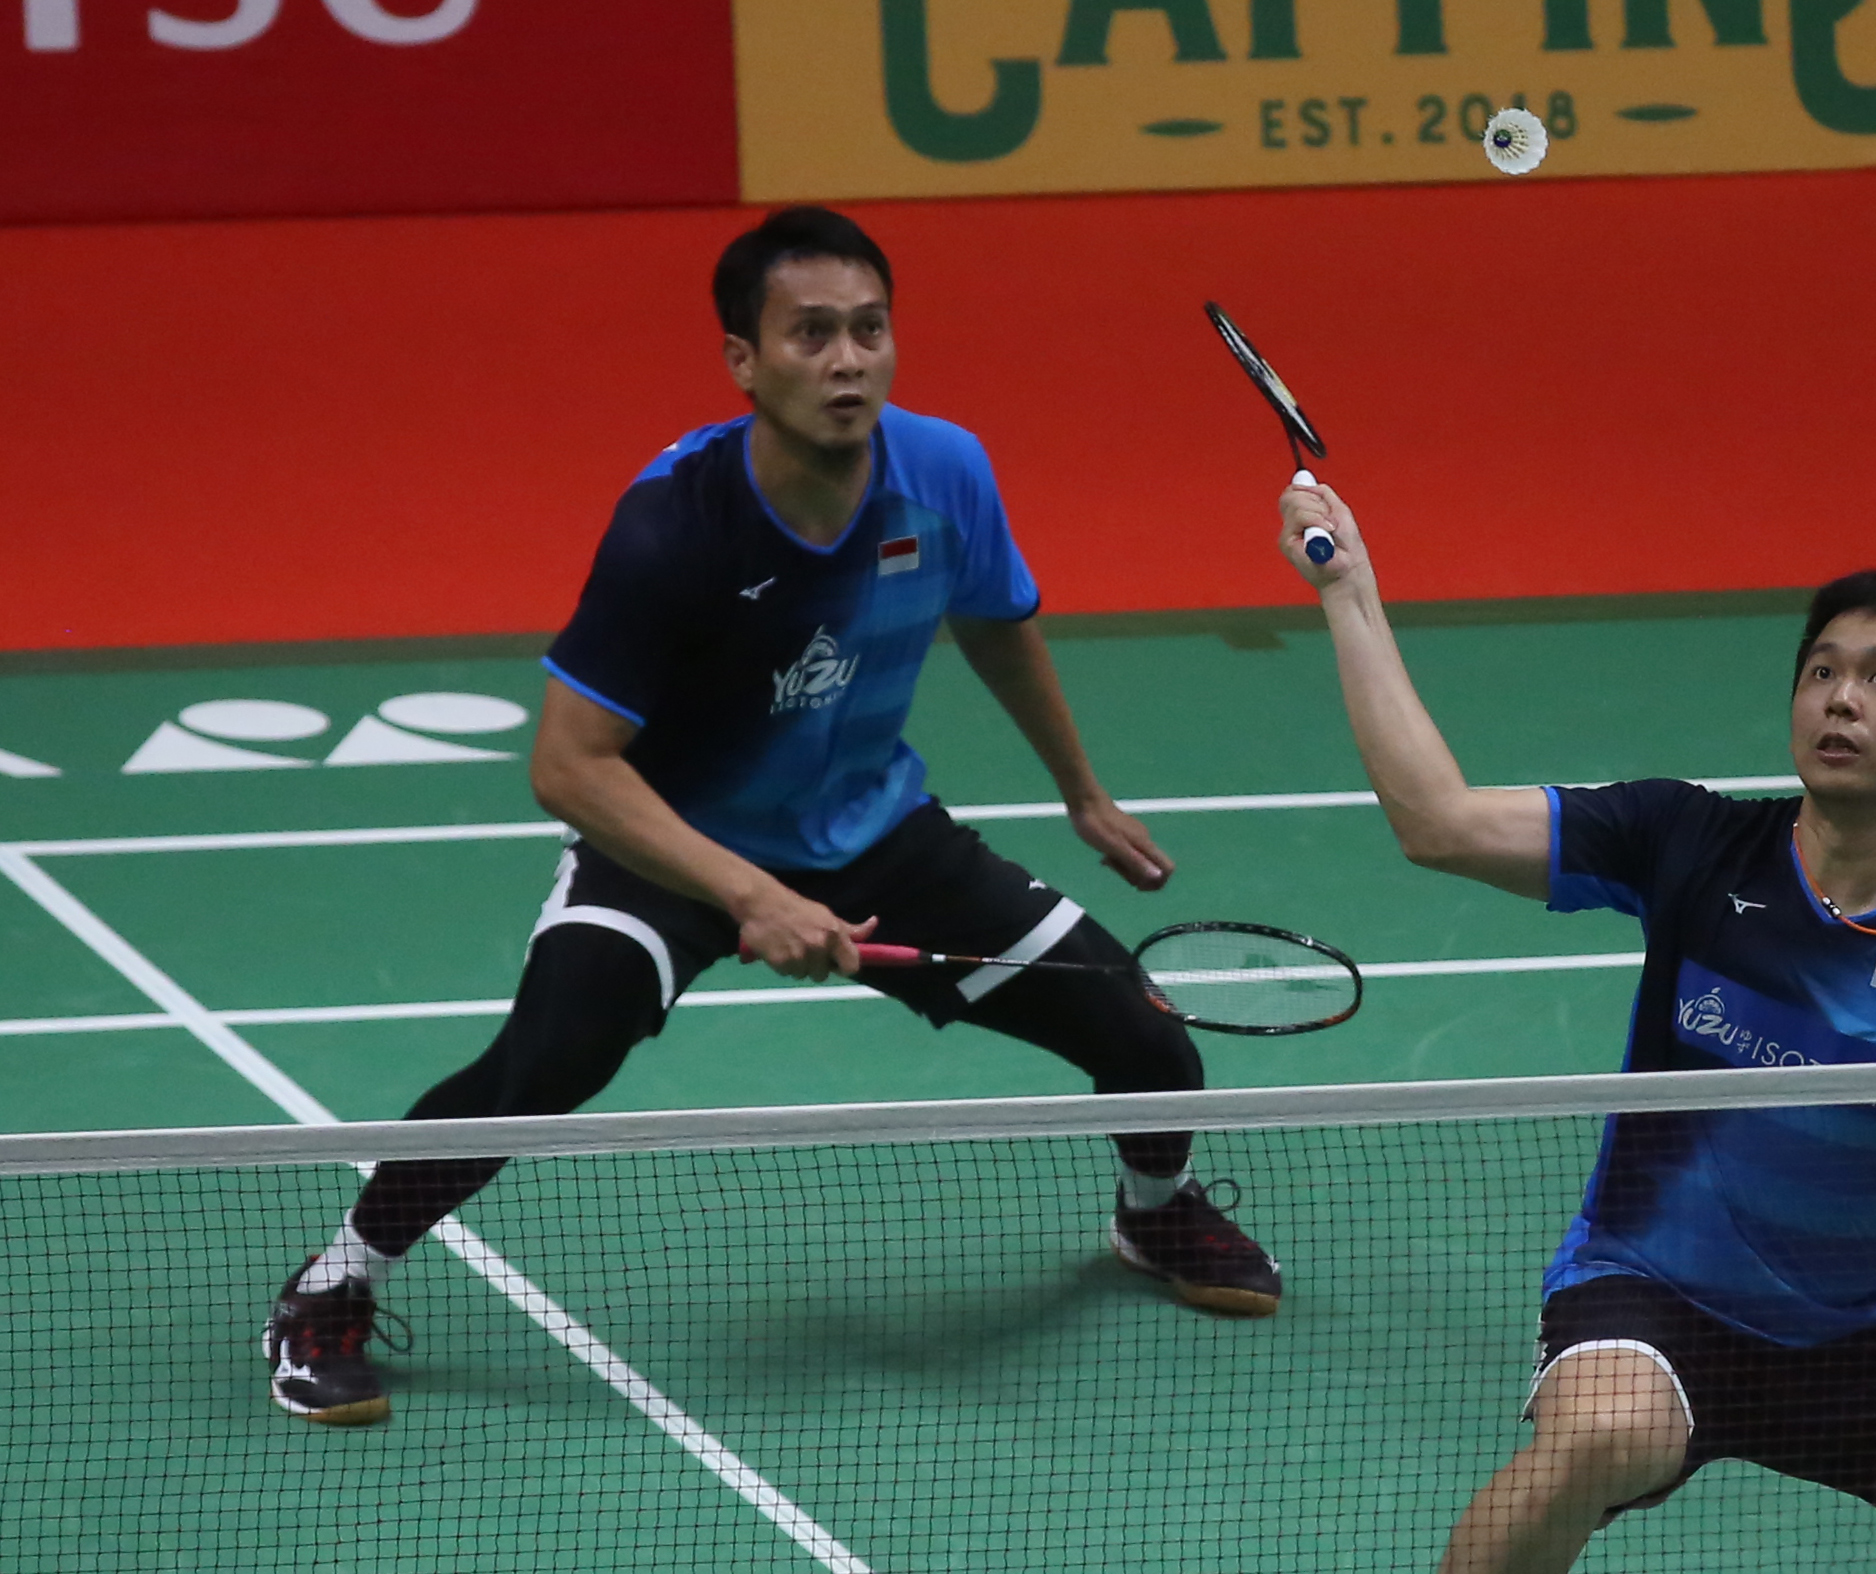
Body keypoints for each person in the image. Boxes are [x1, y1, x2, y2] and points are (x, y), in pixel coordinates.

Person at [260, 206, 1281, 1427]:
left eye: (868, 330)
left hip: (877, 831)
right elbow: (571, 767)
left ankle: (1153, 1208)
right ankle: (333, 1282)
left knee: (1149, 1040)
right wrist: (746, 893)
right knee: (544, 1063)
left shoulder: (945, 468)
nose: (847, 360)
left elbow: (997, 616)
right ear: (745, 360)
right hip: (675, 850)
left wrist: (1082, 789)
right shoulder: (674, 527)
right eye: (810, 335)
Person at [1275, 480, 1876, 1574]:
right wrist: (1349, 589)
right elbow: (1438, 824)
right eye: (1822, 670)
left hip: (1867, 1339)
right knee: (1607, 1432)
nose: (1840, 698)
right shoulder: (1686, 839)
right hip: (1649, 1296)